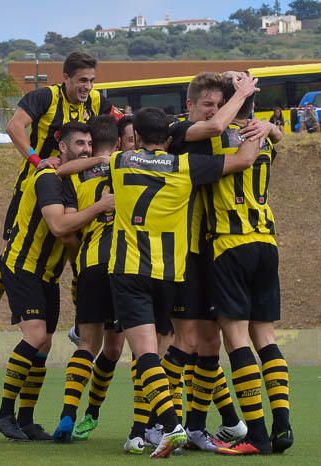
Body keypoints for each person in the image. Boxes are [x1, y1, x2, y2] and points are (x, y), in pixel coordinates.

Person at [108, 107, 261, 458]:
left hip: (129, 269)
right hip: (170, 274)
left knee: (146, 353)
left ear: (137, 136)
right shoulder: (185, 166)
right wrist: (255, 125)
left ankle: (170, 425)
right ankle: (169, 426)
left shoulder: (120, 161)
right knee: (165, 348)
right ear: (171, 137)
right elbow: (243, 160)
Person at [0, 52, 119, 372]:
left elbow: (115, 122)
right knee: (11, 257)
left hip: (72, 188)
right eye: (82, 81)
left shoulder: (96, 102)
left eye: (92, 81)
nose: (87, 87)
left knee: (76, 250)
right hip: (33, 188)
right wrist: (38, 161)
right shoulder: (44, 97)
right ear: (66, 78)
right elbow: (14, 126)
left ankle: (81, 322)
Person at [166, 71, 281, 451]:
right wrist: (254, 113)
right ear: (190, 107)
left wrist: (265, 126)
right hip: (188, 252)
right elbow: (233, 138)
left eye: (220, 103)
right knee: (187, 340)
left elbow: (249, 137)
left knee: (211, 342)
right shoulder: (180, 133)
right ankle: (154, 422)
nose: (216, 112)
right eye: (208, 105)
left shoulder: (226, 137)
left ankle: (196, 426)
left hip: (218, 249)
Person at [0, 122, 114, 442]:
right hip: (24, 267)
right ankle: (4, 413)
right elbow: (60, 226)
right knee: (35, 337)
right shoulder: (48, 177)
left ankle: (26, 419)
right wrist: (101, 206)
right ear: (61, 147)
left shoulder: (70, 182)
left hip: (48, 275)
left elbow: (72, 239)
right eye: (80, 143)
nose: (86, 148)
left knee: (44, 343)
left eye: (90, 144)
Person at [209, 75, 293, 457]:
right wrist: (273, 127)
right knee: (267, 336)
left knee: (236, 338)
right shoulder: (262, 138)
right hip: (266, 243)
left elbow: (209, 128)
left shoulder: (212, 139)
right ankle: (283, 424)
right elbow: (279, 142)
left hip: (230, 245)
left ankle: (256, 434)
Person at [51, 116, 126, 443]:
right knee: (115, 347)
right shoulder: (129, 166)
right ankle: (93, 413)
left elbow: (66, 231)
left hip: (91, 263)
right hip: (126, 264)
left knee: (86, 344)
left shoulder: (75, 175)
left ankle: (67, 413)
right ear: (121, 142)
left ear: (91, 145)